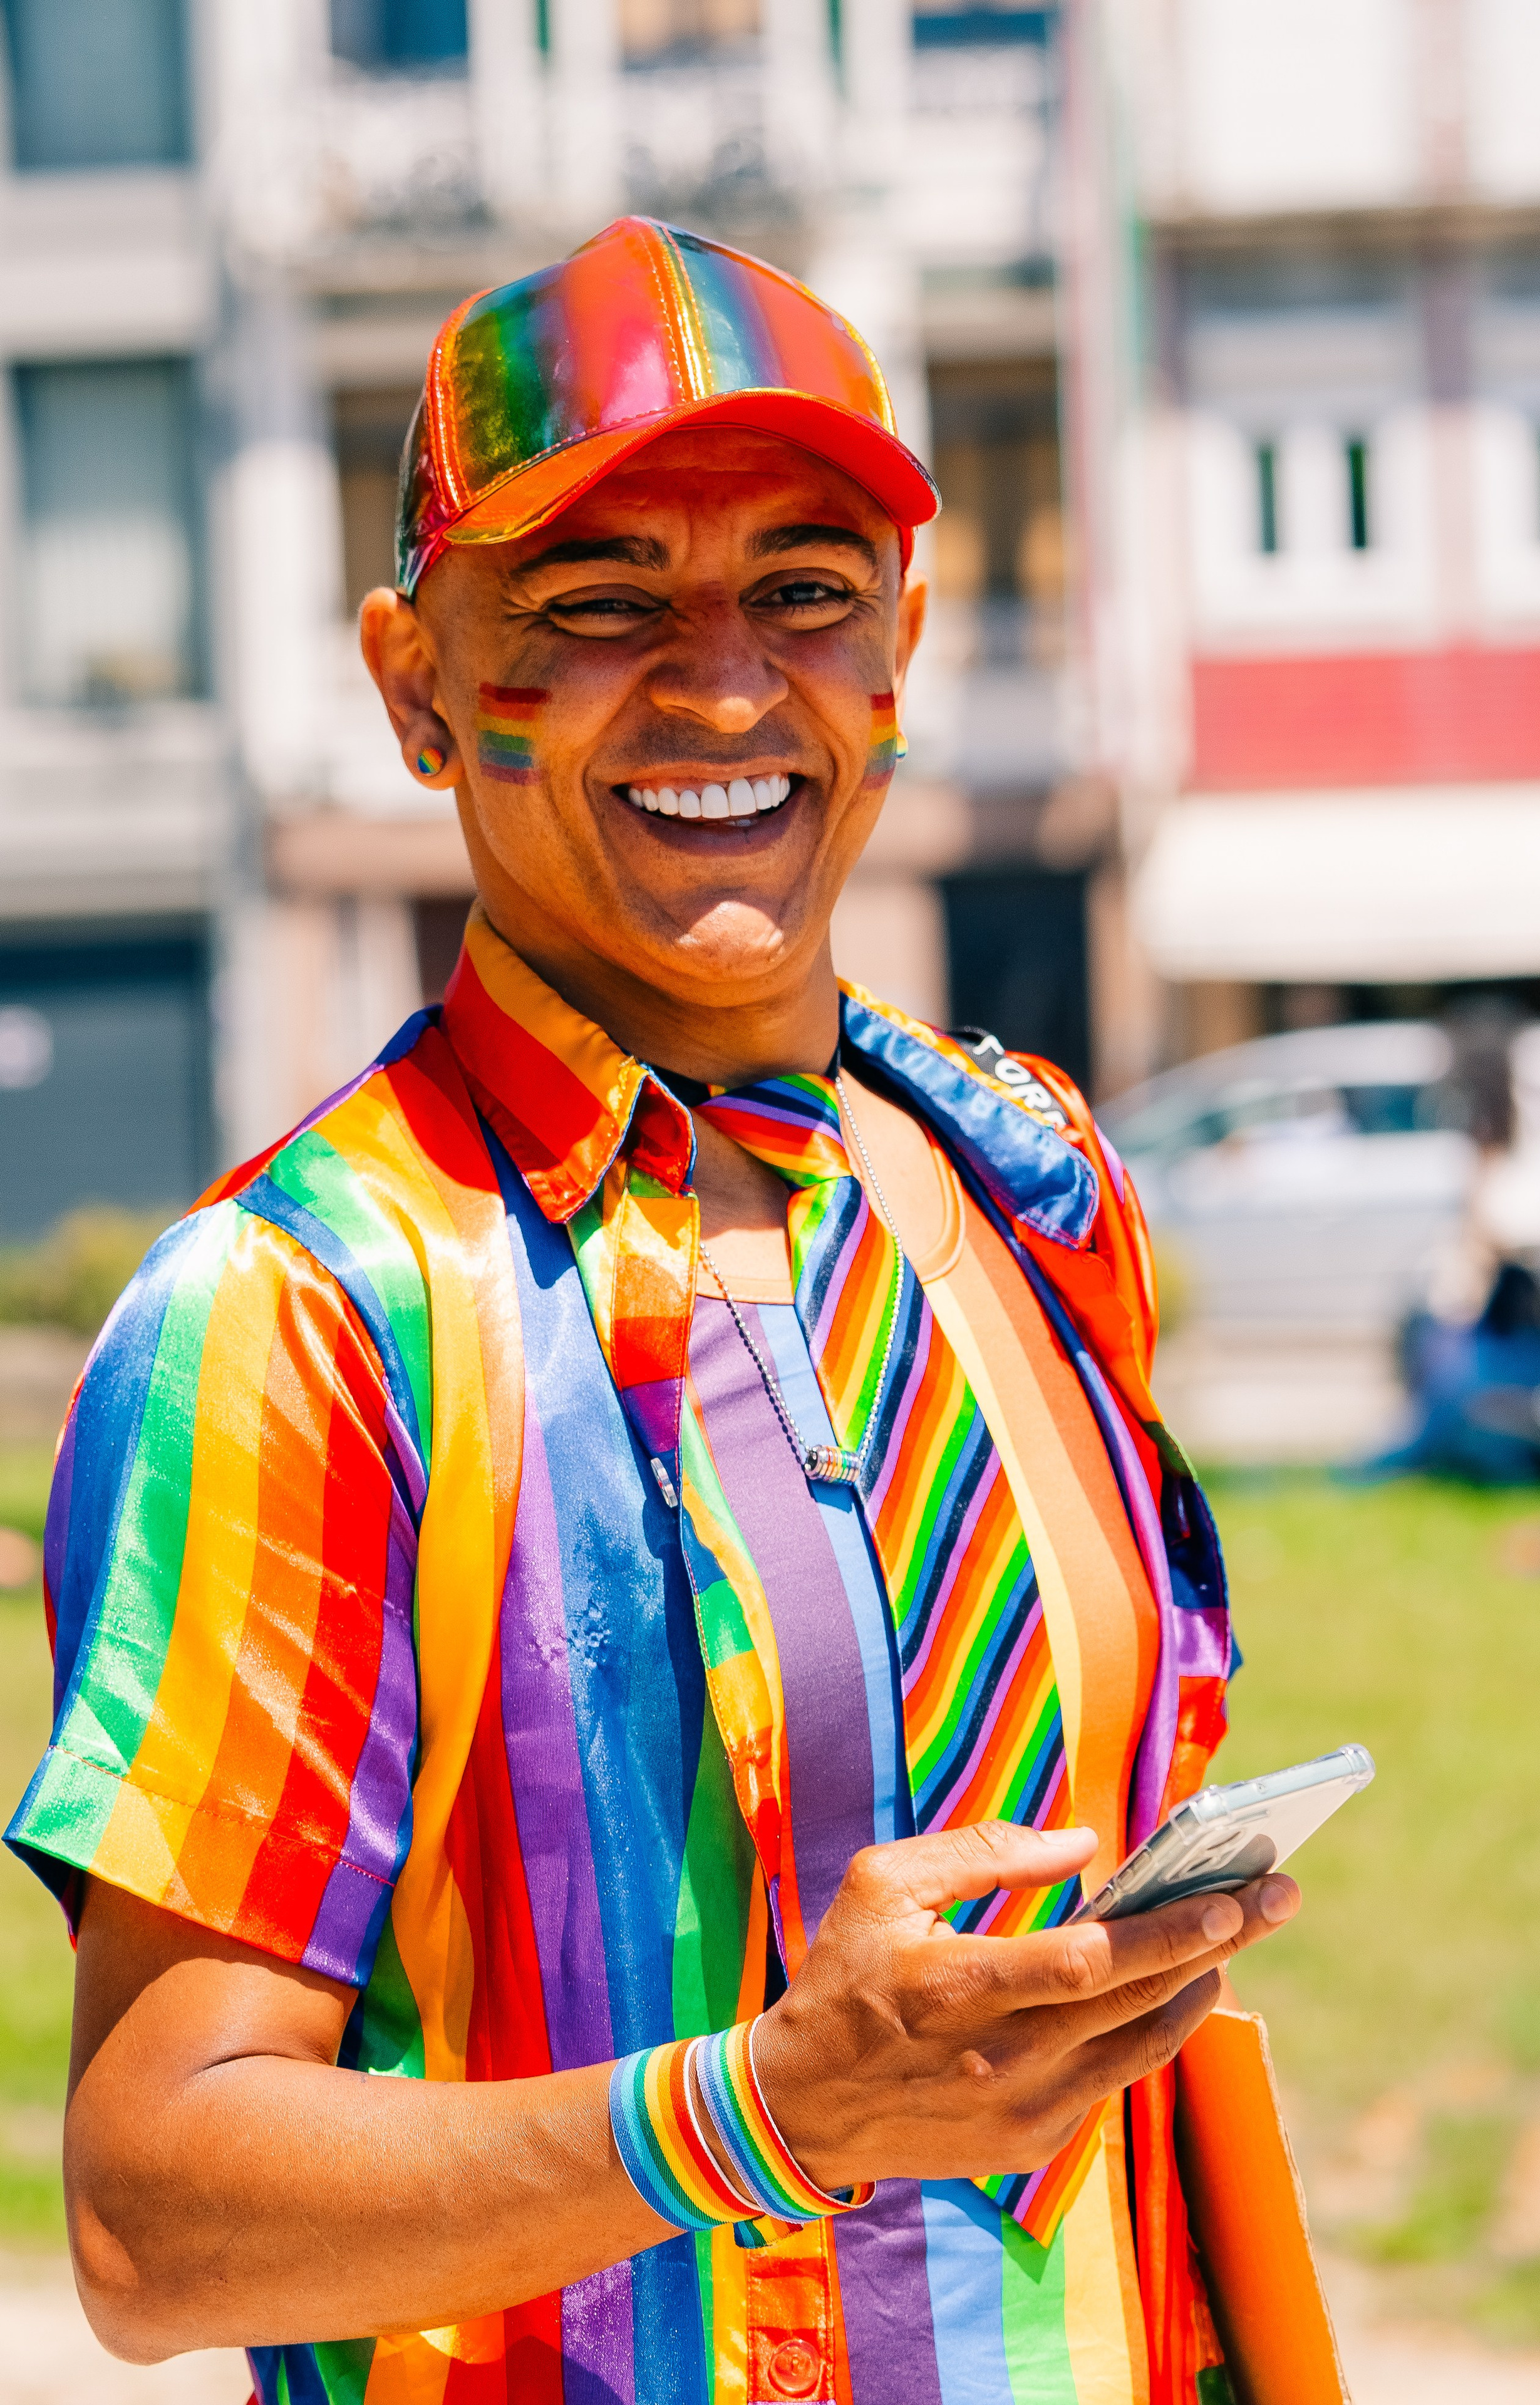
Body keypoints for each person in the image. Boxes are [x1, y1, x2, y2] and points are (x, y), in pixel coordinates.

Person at [9, 219, 1312, 2405]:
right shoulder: (306, 1304)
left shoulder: (1028, 1174)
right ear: (417, 686)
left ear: (900, 644)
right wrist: (762, 2117)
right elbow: (155, 2217)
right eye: (599, 605)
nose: (723, 685)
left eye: (804, 588)